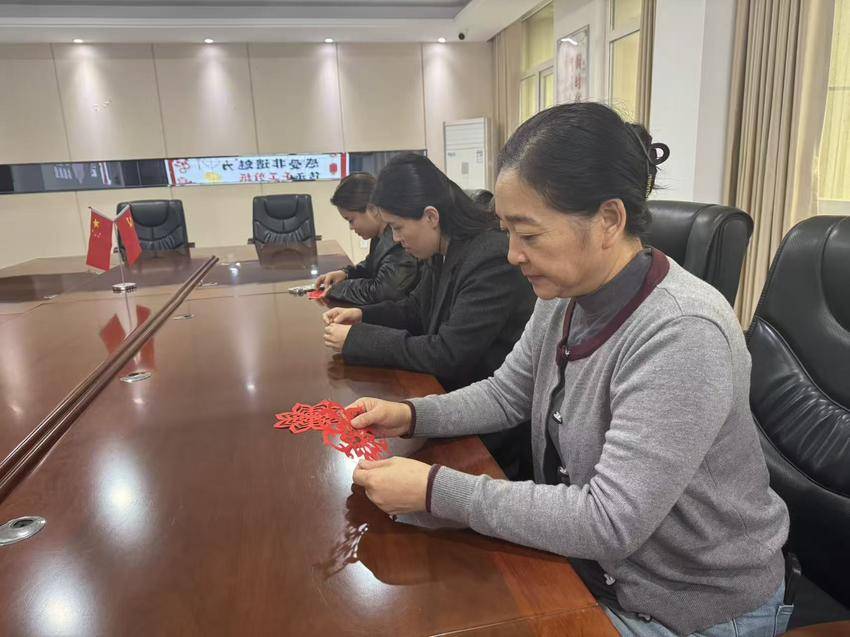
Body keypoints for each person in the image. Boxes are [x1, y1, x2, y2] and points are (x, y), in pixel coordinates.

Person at [346, 103, 792, 637]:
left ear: (609, 221)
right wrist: (410, 414)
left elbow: (609, 521)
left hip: (687, 605)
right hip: (593, 570)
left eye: (529, 235)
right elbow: (507, 394)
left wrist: (435, 490)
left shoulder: (682, 332)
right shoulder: (565, 295)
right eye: (507, 232)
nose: (512, 255)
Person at [323, 153, 536, 477]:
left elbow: (449, 354)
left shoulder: (489, 257)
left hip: (487, 427)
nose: (396, 239)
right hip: (448, 401)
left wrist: (358, 340)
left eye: (398, 228)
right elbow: (415, 309)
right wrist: (361, 316)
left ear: (431, 216)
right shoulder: (443, 249)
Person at [316, 172, 419, 305]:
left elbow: (382, 293)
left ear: (373, 209)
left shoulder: (399, 241)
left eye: (351, 220)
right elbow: (371, 265)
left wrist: (337, 289)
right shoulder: (380, 236)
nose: (351, 227)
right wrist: (346, 274)